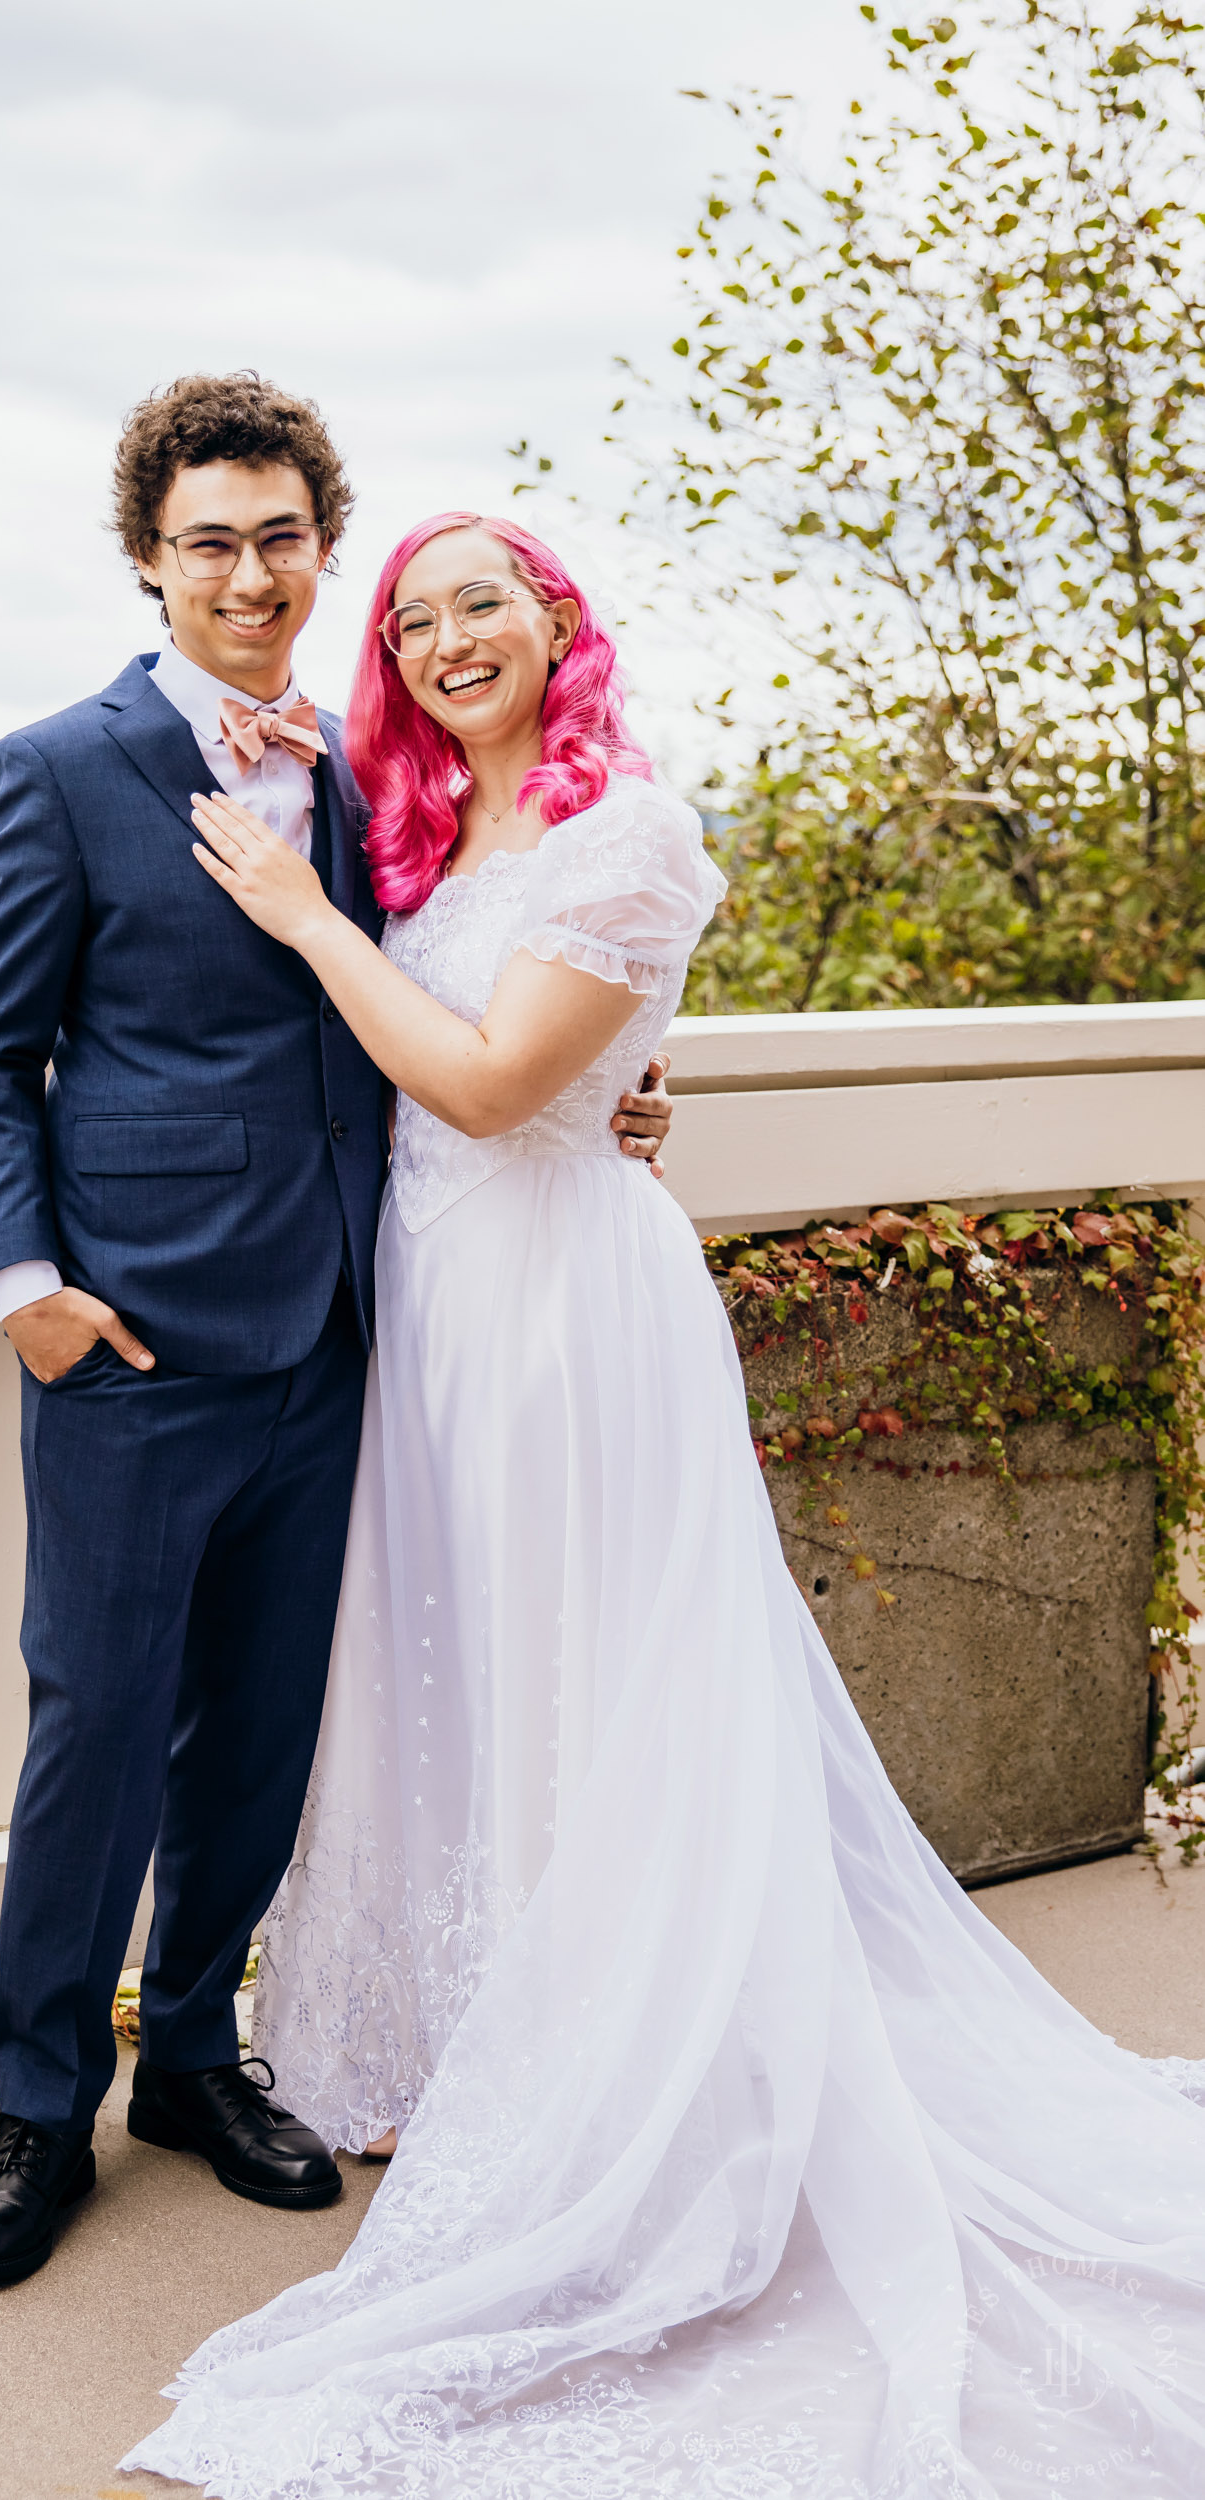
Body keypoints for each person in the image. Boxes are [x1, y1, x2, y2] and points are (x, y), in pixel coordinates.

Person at [125, 512, 1205, 2497]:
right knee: (449, 1677)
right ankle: (454, 2051)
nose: (449, 636)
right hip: (434, 1310)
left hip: (562, 1325)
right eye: (419, 612)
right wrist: (582, 1050)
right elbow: (513, 1048)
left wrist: (306, 918)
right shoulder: (437, 831)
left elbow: (475, 1078)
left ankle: (606, 2093)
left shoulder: (633, 826)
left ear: (558, 625)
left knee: (582, 1685)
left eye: (486, 602)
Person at [0, 384, 672, 2290]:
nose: (251, 573)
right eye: (212, 542)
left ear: (321, 549)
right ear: (154, 561)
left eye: (282, 537)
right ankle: (37, 2110)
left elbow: (490, 985)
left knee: (263, 1727)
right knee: (96, 1723)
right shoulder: (60, 766)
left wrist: (622, 1094)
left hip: (359, 1331)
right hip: (132, 1344)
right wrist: (29, 1288)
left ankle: (191, 2058)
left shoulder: (368, 768)